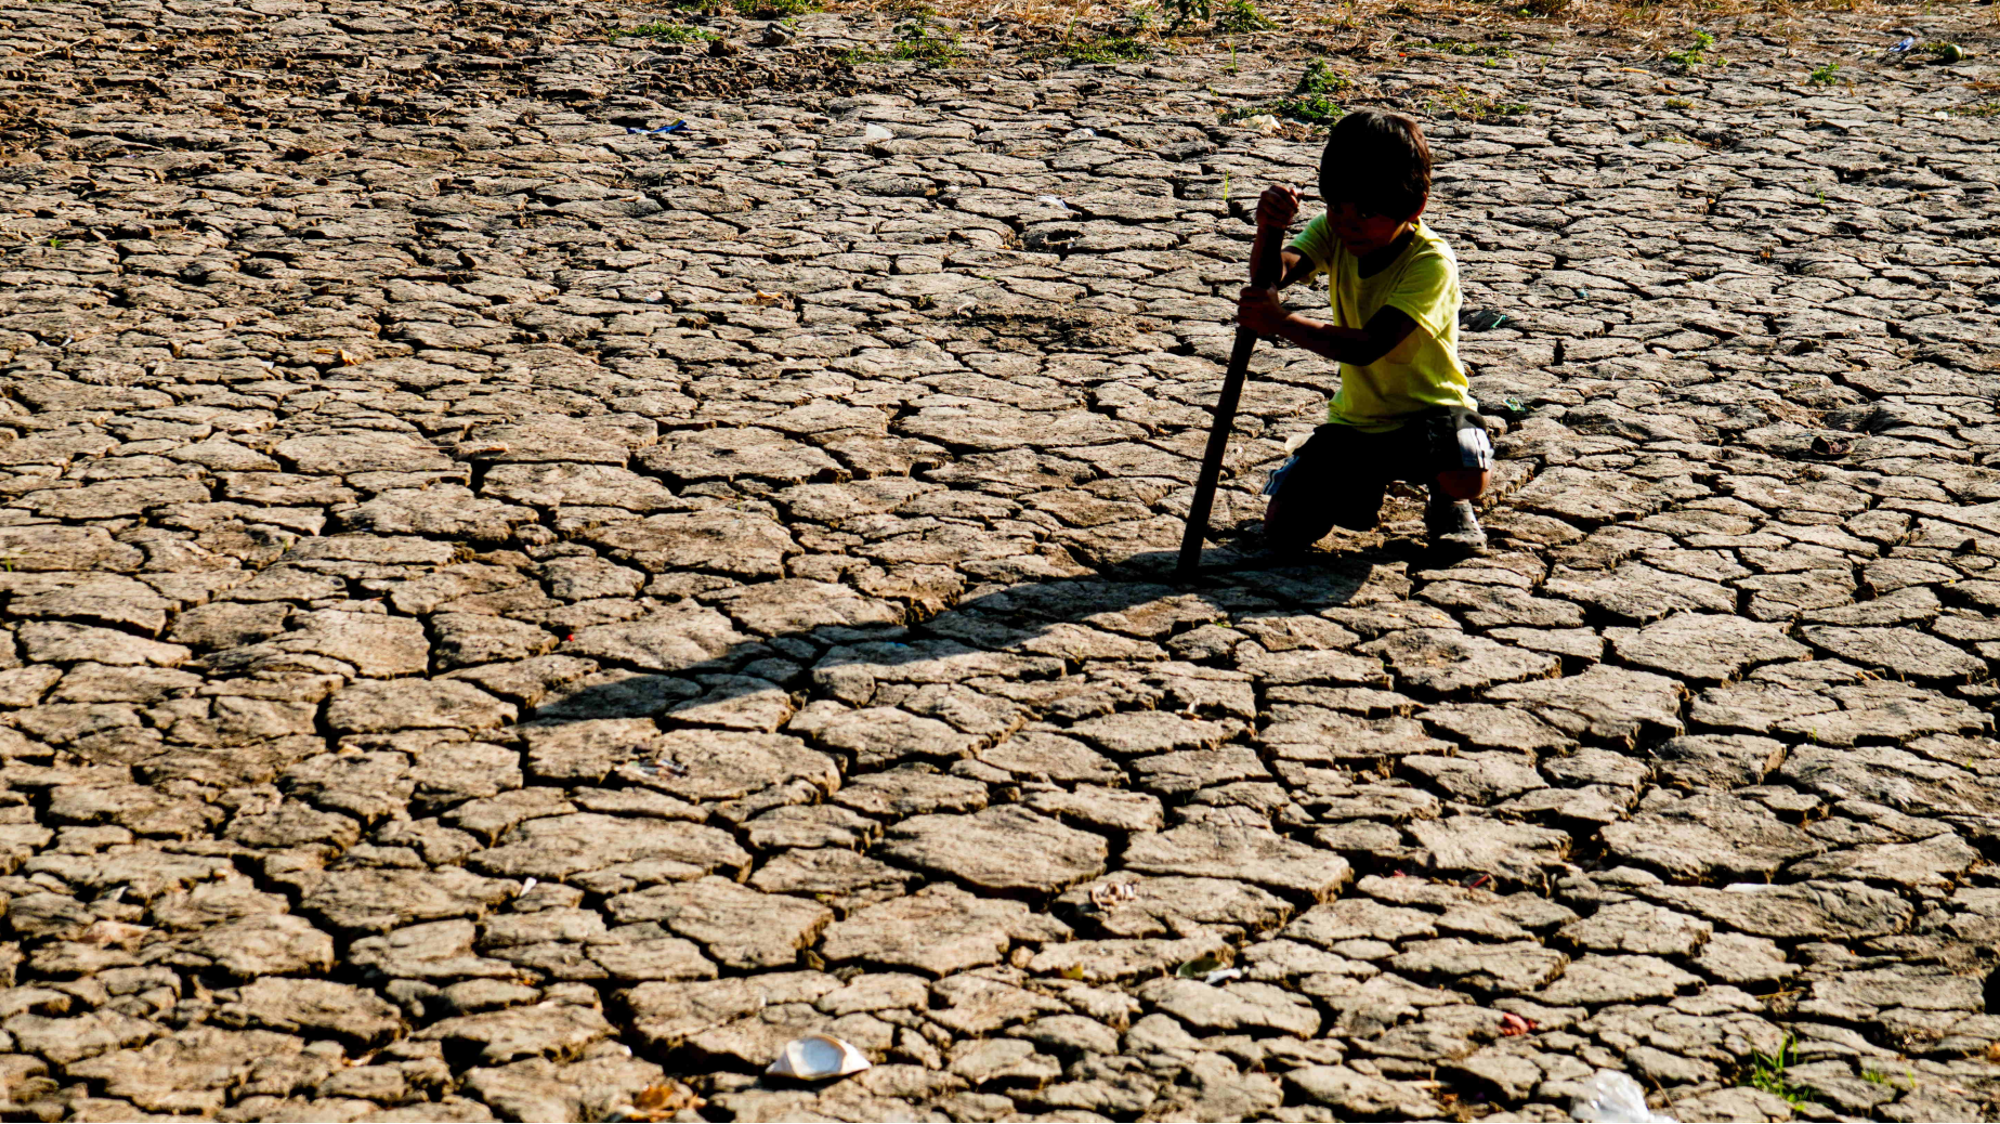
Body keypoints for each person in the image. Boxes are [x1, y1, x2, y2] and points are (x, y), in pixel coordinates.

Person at [1235, 109, 1493, 556]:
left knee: (1464, 470)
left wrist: (1280, 323)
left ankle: (1447, 502)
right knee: (1285, 529)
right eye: (1336, 207)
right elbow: (1272, 277)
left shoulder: (1430, 263)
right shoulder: (1335, 232)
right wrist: (1270, 230)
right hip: (1357, 424)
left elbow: (1369, 345)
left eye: (1366, 213)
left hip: (1429, 417)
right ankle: (1361, 490)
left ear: (1414, 207)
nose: (1347, 222)